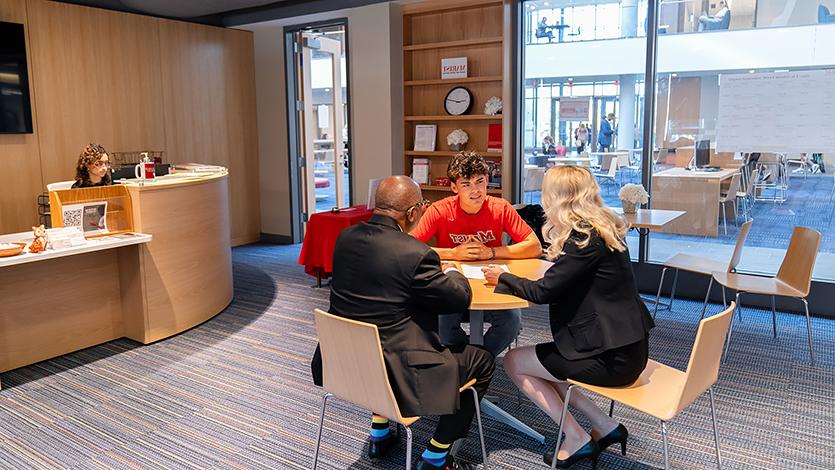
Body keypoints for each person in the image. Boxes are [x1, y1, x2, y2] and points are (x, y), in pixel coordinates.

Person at [310, 175, 494, 470]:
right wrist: (452, 273)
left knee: (384, 336)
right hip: (396, 371)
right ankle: (436, 457)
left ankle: (379, 434)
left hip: (345, 364)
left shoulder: (345, 238)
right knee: (482, 361)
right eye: (421, 207)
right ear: (411, 213)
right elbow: (458, 299)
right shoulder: (416, 253)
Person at [482, 166, 655, 468]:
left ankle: (575, 437)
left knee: (514, 362)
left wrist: (502, 278)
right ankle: (605, 424)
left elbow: (542, 292)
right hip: (626, 347)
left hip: (611, 358)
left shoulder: (583, 239)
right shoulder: (604, 227)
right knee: (546, 366)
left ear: (559, 197)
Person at [411, 151, 542, 357]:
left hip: (491, 283)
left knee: (511, 322)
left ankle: (477, 362)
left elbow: (534, 246)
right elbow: (409, 247)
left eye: (480, 182)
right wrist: (453, 253)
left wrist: (491, 252)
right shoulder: (440, 210)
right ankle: (472, 360)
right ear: (454, 187)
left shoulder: (500, 208)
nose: (475, 191)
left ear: (487, 180)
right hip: (452, 286)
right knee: (443, 324)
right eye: (466, 184)